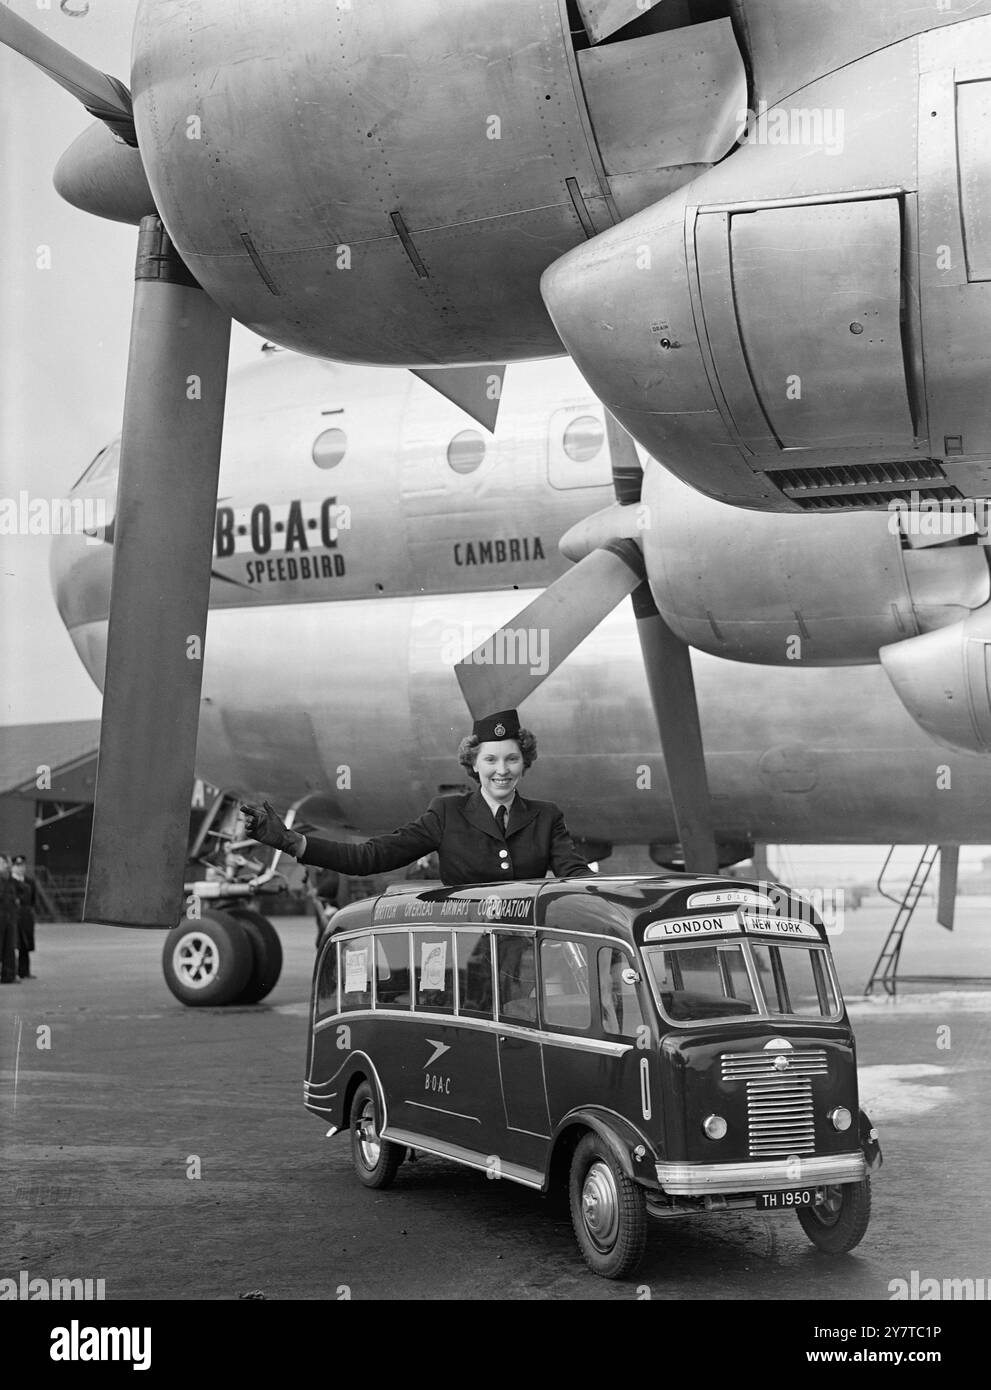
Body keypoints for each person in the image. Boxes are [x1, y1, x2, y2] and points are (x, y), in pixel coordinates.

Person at [241, 709, 592, 887]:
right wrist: (291, 841)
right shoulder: (447, 813)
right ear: (473, 763)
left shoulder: (546, 818)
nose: (502, 770)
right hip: (466, 956)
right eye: (491, 759)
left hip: (525, 960)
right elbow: (371, 857)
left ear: (525, 761)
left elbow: (575, 877)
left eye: (512, 758)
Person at [11, 855, 37, 980]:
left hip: (26, 917)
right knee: (14, 945)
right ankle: (12, 971)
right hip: (14, 916)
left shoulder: (30, 882)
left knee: (25, 945)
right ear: (13, 867)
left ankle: (24, 971)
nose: (21, 868)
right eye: (18, 866)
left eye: (22, 866)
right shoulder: (9, 882)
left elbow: (33, 900)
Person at [0, 856, 19, 985]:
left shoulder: (10, 880)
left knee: (9, 947)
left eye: (4, 862)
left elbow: (23, 891)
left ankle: (9, 975)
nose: (3, 865)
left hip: (9, 918)